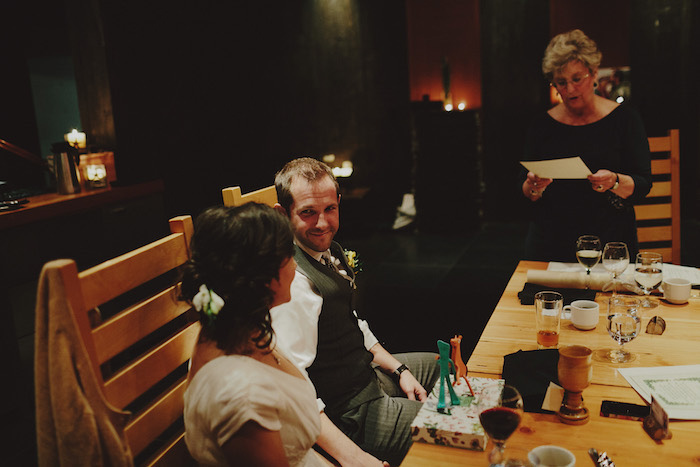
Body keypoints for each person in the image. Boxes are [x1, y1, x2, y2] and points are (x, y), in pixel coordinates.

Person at [271, 157, 440, 466]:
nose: (322, 223)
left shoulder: (327, 250)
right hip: (351, 413)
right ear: (283, 214)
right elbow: (294, 386)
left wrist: (398, 370)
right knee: (453, 424)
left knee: (446, 368)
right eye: (308, 212)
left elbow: (353, 323)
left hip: (366, 376)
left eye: (329, 209)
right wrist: (352, 458)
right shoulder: (292, 283)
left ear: (338, 202)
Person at [180, 203, 328, 466]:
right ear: (263, 276)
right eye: (288, 255)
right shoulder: (239, 393)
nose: (295, 264)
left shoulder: (241, 327)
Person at [521, 29, 652, 262]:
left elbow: (643, 184)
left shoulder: (625, 120)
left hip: (610, 240)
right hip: (552, 241)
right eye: (561, 82)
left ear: (593, 74)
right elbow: (525, 192)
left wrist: (614, 180)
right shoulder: (541, 125)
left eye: (576, 79)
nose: (569, 89)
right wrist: (534, 187)